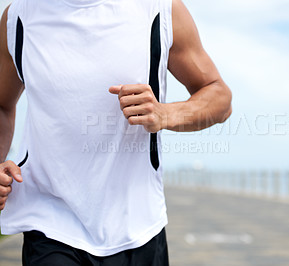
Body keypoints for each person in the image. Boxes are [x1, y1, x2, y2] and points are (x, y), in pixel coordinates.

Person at [0, 0, 232, 265]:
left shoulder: (159, 9)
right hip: (49, 222)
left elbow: (219, 97)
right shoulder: (19, 17)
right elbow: (2, 104)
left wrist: (166, 114)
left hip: (137, 226)